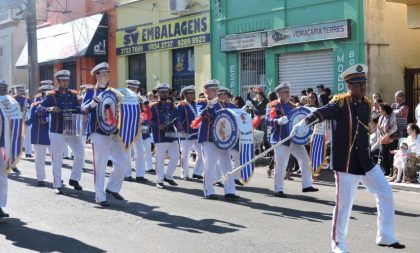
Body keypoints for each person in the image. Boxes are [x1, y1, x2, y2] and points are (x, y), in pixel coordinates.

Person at [293, 64, 405, 252]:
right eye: (359, 84)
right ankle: (338, 244)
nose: (364, 87)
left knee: (385, 193)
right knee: (344, 205)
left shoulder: (367, 105)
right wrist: (305, 122)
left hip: (365, 161)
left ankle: (385, 235)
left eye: (364, 83)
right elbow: (323, 112)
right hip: (346, 162)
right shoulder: (340, 102)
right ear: (349, 85)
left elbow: (365, 131)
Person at [82, 62, 129, 206]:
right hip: (98, 131)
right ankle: (100, 196)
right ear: (96, 75)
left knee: (124, 161)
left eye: (107, 73)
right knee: (100, 165)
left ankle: (112, 187)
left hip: (114, 132)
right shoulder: (90, 92)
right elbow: (83, 109)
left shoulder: (114, 92)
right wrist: (93, 103)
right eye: (103, 74)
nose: (106, 76)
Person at [265, 81, 318, 198]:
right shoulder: (273, 105)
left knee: (305, 159)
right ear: (279, 93)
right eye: (285, 92)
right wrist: (277, 121)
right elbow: (267, 120)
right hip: (281, 139)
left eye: (289, 92)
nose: (288, 94)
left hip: (294, 139)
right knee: (280, 165)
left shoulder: (293, 106)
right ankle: (278, 189)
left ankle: (307, 185)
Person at [36, 70, 85, 195]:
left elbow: (79, 109)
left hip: (71, 129)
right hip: (56, 130)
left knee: (80, 154)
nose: (65, 82)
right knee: (57, 158)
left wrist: (83, 110)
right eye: (63, 80)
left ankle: (74, 179)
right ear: (58, 81)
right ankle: (57, 185)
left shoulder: (73, 95)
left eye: (67, 80)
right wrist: (50, 108)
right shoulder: (51, 95)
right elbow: (39, 109)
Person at [195, 80, 239, 200]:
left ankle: (230, 191)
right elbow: (202, 117)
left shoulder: (222, 103)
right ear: (206, 91)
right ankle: (209, 190)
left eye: (216, 89)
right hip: (209, 138)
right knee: (209, 165)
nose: (216, 92)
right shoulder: (202, 102)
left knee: (227, 165)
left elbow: (233, 115)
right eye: (213, 90)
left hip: (223, 139)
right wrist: (209, 106)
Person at [150, 83, 179, 188]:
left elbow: (177, 119)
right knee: (160, 159)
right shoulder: (152, 106)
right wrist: (157, 125)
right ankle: (159, 180)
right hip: (159, 135)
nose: (164, 93)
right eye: (162, 92)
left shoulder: (172, 105)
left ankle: (168, 176)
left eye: (166, 91)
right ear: (158, 93)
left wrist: (180, 128)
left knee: (176, 156)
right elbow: (146, 119)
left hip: (171, 133)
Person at [0, 80, 23, 218]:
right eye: (0, 88)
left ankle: (0, 206)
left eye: (4, 88)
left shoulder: (10, 104)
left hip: (3, 145)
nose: (2, 91)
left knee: (2, 176)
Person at [27, 83, 54, 186]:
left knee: (56, 159)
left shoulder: (55, 105)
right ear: (42, 94)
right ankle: (40, 178)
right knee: (39, 159)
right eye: (46, 94)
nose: (48, 96)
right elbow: (29, 120)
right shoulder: (35, 105)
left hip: (52, 136)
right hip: (39, 135)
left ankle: (56, 178)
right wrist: (42, 118)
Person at [176, 85, 204, 181]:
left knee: (202, 153)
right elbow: (178, 119)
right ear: (185, 94)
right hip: (186, 134)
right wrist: (181, 130)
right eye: (190, 93)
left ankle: (197, 172)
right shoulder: (181, 105)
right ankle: (185, 174)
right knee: (185, 155)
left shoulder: (196, 104)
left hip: (197, 133)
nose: (192, 95)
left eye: (193, 93)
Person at [123, 80, 148, 183]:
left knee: (140, 151)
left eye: (135, 88)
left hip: (137, 126)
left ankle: (140, 175)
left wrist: (142, 119)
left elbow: (143, 112)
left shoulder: (139, 98)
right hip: (126, 126)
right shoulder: (122, 97)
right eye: (132, 88)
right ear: (127, 87)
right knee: (126, 151)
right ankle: (127, 174)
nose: (134, 90)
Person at [377, 103, 399, 176]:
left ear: (385, 110)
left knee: (391, 156)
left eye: (380, 109)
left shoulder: (392, 116)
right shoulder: (381, 117)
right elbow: (379, 128)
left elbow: (394, 127)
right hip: (384, 139)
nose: (379, 110)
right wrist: (381, 136)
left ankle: (392, 171)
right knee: (384, 156)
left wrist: (387, 135)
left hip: (392, 139)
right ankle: (386, 171)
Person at [13, 84, 32, 159]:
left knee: (28, 137)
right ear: (16, 91)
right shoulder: (13, 99)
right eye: (19, 90)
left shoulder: (27, 99)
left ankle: (28, 153)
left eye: (21, 90)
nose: (20, 92)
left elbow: (31, 108)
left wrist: (28, 117)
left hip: (26, 120)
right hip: (17, 120)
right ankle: (17, 153)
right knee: (17, 137)